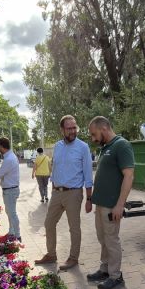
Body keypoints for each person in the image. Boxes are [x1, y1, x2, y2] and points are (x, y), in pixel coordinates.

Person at [35, 115, 93, 270]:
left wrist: (89, 198)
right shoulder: (58, 146)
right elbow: (55, 167)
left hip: (73, 193)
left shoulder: (83, 147)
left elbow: (88, 174)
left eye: (75, 128)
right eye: (69, 128)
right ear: (62, 130)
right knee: (49, 223)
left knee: (74, 227)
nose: (73, 131)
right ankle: (51, 255)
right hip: (56, 193)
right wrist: (53, 185)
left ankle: (73, 258)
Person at [86, 116, 135, 289]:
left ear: (104, 128)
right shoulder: (106, 147)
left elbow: (129, 176)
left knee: (112, 239)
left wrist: (120, 205)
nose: (93, 138)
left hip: (112, 205)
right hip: (101, 204)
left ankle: (115, 275)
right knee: (103, 238)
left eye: (94, 134)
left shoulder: (122, 145)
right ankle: (105, 269)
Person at [0, 137, 21, 241]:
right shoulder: (10, 156)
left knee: (12, 213)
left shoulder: (9, 159)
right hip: (10, 189)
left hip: (10, 190)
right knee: (9, 212)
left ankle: (18, 235)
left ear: (1, 146)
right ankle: (12, 231)